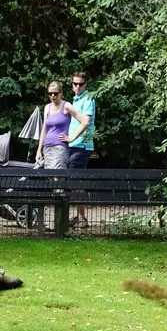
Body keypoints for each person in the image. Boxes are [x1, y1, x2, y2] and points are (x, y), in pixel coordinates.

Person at [35, 81, 91, 170]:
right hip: (47, 147)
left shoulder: (66, 106)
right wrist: (38, 150)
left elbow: (85, 122)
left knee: (58, 176)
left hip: (60, 147)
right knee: (50, 177)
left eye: (55, 93)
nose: (52, 95)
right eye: (50, 93)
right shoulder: (47, 107)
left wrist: (72, 138)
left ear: (61, 93)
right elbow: (44, 129)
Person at [67, 71, 95, 228]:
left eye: (80, 84)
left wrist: (73, 138)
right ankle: (79, 215)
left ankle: (82, 218)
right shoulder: (76, 100)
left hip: (82, 145)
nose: (77, 86)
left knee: (76, 181)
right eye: (75, 84)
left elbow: (86, 122)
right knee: (74, 182)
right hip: (73, 146)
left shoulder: (88, 99)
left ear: (86, 84)